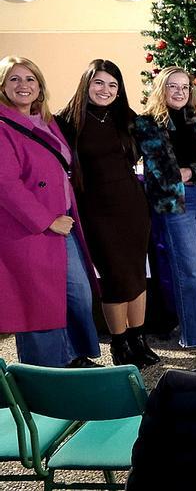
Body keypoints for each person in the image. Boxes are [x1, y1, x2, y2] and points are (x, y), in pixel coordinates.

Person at [0, 56, 101, 368]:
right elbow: (5, 183)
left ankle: (71, 356)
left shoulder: (47, 122)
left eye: (30, 79)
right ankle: (45, 374)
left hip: (64, 221)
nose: (23, 86)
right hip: (30, 229)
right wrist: (46, 220)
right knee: (39, 303)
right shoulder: (3, 126)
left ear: (40, 87)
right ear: (3, 86)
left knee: (77, 293)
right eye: (14, 79)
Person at [56, 60, 157, 367]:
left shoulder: (128, 118)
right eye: (99, 82)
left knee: (137, 274)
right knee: (115, 278)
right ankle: (120, 344)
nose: (106, 90)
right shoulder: (66, 121)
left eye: (112, 85)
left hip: (133, 206)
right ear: (87, 83)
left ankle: (139, 339)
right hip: (96, 211)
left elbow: (157, 153)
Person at [133, 67, 196, 351]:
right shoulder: (147, 123)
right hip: (177, 202)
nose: (179, 92)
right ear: (161, 89)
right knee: (190, 269)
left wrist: (192, 173)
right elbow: (163, 170)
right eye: (173, 86)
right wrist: (195, 173)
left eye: (185, 87)